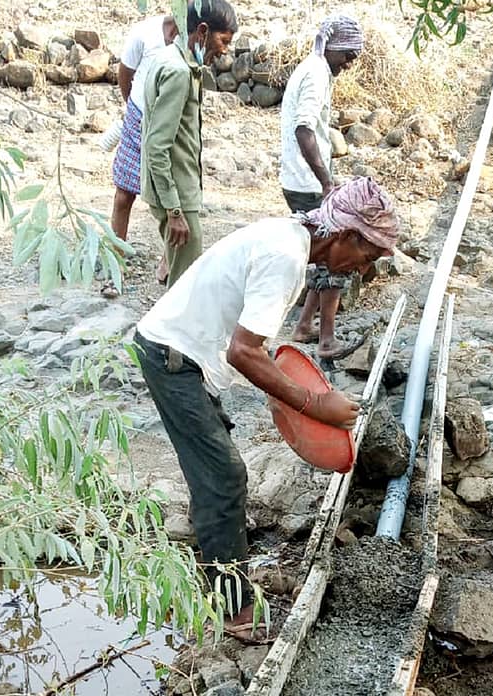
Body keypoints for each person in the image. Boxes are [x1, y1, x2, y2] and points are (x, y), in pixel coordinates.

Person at [134, 177, 399, 643]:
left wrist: (283, 395)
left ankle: (214, 566)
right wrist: (315, 403)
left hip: (186, 351)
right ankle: (231, 608)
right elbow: (244, 352)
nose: (362, 269)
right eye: (367, 256)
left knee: (213, 471)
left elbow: (257, 346)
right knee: (225, 476)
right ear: (346, 236)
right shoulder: (286, 258)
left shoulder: (287, 238)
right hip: (172, 357)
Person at [280, 14, 364, 360]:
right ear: (334, 47)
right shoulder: (315, 74)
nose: (348, 63)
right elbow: (304, 129)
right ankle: (327, 340)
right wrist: (326, 182)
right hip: (306, 181)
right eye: (348, 55)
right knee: (337, 257)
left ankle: (304, 326)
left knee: (321, 253)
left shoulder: (314, 69)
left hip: (300, 177)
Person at [140, 0, 237, 288]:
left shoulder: (169, 58)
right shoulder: (179, 72)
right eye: (223, 40)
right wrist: (175, 212)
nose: (224, 50)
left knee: (182, 279)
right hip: (176, 195)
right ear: (203, 31)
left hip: (174, 190)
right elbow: (157, 145)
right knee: (184, 289)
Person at [109, 14, 179, 245]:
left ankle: (169, 260)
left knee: (171, 197)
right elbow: (125, 72)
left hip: (172, 122)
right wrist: (134, 109)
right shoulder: (144, 32)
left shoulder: (196, 39)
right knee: (124, 194)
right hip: (138, 117)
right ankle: (116, 254)